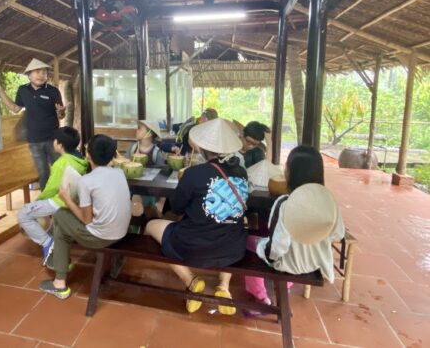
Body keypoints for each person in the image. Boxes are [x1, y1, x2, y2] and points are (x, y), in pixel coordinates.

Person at [145, 118, 249, 315]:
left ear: (202, 148)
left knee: (151, 226)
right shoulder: (241, 172)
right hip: (233, 247)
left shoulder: (194, 173)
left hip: (194, 245)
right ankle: (224, 287)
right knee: (226, 229)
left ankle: (191, 281)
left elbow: (176, 207)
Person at [244, 146, 345, 308]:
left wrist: (261, 249)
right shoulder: (329, 201)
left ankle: (260, 295)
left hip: (290, 264)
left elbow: (277, 249)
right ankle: (286, 287)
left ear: (291, 173)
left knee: (247, 240)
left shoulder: (286, 203)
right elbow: (338, 234)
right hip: (316, 263)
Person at [39, 135, 131, 299]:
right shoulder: (120, 173)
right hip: (122, 232)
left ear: (88, 155)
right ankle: (61, 267)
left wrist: (67, 199)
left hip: (101, 237)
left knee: (60, 214)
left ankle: (59, 282)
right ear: (112, 156)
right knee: (62, 230)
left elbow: (86, 219)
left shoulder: (87, 181)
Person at [17, 126, 88, 264]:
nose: (53, 142)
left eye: (54, 140)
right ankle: (53, 243)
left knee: (23, 214)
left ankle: (48, 243)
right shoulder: (80, 159)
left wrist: (38, 201)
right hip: (72, 201)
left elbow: (52, 188)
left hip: (59, 201)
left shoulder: (61, 163)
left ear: (60, 145)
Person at [0, 58, 66, 190]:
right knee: (43, 173)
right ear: (29, 74)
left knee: (60, 168)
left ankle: (65, 197)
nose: (41, 75)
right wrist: (0, 92)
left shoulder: (53, 91)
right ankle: (46, 200)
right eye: (38, 72)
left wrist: (61, 112)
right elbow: (15, 108)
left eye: (44, 73)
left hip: (53, 139)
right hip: (34, 141)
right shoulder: (23, 90)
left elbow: (61, 115)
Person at [127, 120, 166, 217]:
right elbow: (124, 165)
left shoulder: (156, 152)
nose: (136, 131)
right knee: (136, 208)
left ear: (149, 134)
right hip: (135, 189)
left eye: (139, 128)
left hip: (151, 192)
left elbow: (163, 177)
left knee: (152, 213)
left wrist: (162, 200)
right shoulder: (132, 148)